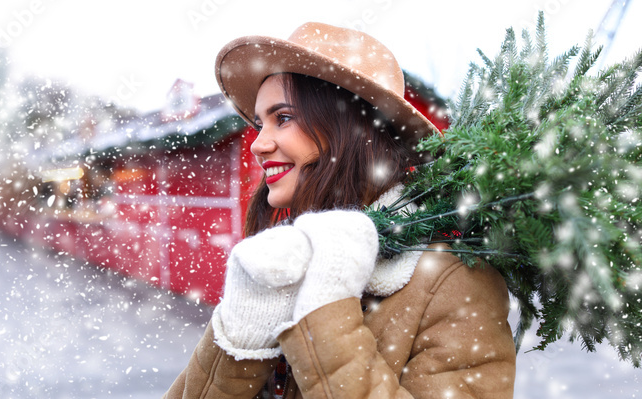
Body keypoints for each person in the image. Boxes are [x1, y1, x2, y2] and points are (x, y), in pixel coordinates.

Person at [165, 22, 517, 398]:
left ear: (350, 129)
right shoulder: (282, 261)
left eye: (282, 118)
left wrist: (326, 308)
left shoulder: (454, 282)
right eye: (258, 123)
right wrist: (240, 334)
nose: (258, 144)